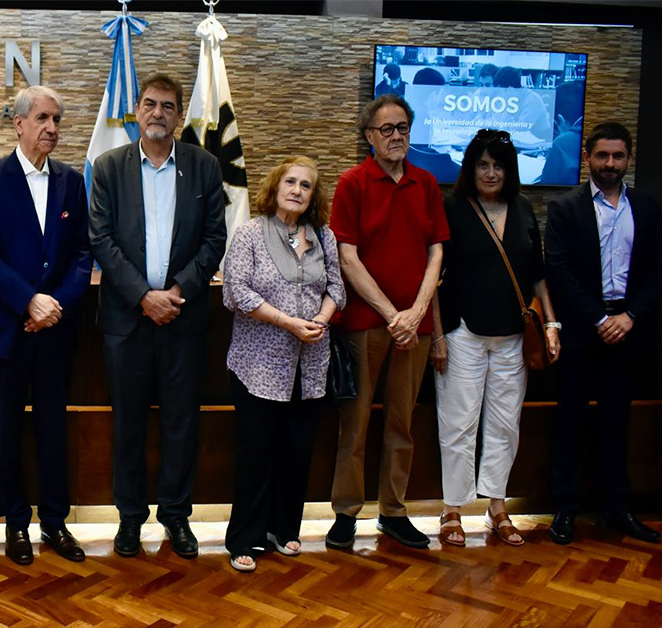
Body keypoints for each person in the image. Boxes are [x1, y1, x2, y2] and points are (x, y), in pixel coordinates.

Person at [89, 73, 227, 559]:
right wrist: (143, 296)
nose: (158, 114)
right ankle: (129, 518)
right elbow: (101, 239)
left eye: (168, 107)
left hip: (183, 319)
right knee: (127, 423)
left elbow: (215, 240)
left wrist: (175, 292)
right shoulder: (108, 167)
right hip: (126, 321)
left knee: (180, 423)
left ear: (178, 114)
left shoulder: (205, 167)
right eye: (149, 104)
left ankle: (175, 515)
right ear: (137, 109)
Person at [0, 86, 93, 565]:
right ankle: (16, 523)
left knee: (52, 429)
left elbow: (82, 253)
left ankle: (55, 522)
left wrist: (55, 304)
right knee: (4, 431)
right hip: (6, 329)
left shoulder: (72, 181)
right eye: (42, 118)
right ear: (18, 123)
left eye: (56, 119)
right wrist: (29, 302)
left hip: (56, 331)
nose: (52, 128)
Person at [326, 94, 449, 550]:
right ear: (369, 136)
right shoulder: (352, 182)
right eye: (386, 129)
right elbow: (347, 258)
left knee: (402, 424)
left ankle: (393, 512)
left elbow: (436, 252)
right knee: (354, 426)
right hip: (364, 325)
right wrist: (392, 314)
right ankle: (345, 514)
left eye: (403, 128)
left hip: (414, 328)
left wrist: (417, 314)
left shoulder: (427, 183)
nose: (396, 136)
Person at [429, 129, 560, 547]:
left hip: (512, 339)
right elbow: (431, 277)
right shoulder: (452, 207)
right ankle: (452, 509)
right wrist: (436, 335)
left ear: (510, 169)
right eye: (483, 164)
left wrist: (552, 324)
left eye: (498, 165)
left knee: (505, 425)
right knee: (458, 424)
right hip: (462, 331)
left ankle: (497, 506)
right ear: (470, 167)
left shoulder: (522, 208)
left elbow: (537, 274)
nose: (490, 172)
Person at [222, 156, 345, 571]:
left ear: (313, 196)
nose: (296, 189)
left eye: (305, 185)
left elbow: (337, 289)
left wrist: (320, 320)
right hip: (258, 365)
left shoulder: (323, 235)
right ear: (274, 188)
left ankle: (283, 529)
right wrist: (289, 322)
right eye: (289, 182)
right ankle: (245, 537)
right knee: (257, 453)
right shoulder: (250, 234)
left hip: (310, 363)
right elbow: (236, 292)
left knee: (297, 449)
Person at [546, 122, 662, 545]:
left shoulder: (647, 208)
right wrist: (598, 319)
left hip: (629, 330)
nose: (609, 163)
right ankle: (565, 510)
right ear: (588, 159)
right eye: (602, 156)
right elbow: (558, 268)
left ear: (628, 158)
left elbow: (655, 272)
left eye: (617, 156)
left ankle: (617, 510)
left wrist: (629, 316)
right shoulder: (565, 207)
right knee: (570, 419)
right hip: (582, 328)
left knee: (617, 421)